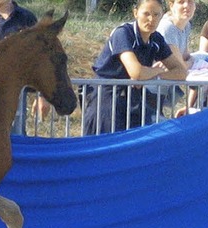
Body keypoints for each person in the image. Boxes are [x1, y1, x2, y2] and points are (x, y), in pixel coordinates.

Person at [83, 0, 187, 135]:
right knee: (103, 146)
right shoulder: (123, 33)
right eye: (146, 14)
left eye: (156, 15)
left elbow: (181, 72)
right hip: (106, 99)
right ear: (135, 13)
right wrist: (157, 70)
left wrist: (152, 75)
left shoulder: (156, 39)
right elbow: (136, 73)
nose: (151, 19)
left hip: (133, 100)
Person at [0, 0, 48, 133]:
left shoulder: (27, 18)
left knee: (15, 140)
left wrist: (42, 95)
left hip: (16, 94)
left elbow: (40, 57)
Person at [155, 0, 196, 116]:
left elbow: (185, 56)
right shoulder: (167, 28)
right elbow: (181, 66)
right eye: (181, 2)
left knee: (205, 57)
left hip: (165, 85)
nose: (186, 6)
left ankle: (190, 107)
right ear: (171, 5)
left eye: (190, 2)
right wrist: (190, 61)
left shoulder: (186, 24)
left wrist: (189, 61)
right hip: (151, 88)